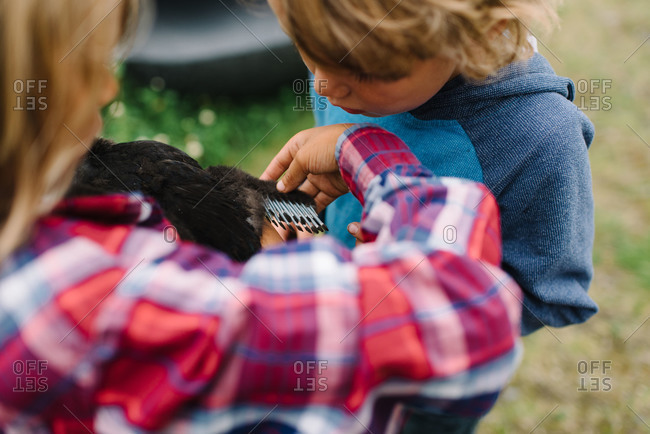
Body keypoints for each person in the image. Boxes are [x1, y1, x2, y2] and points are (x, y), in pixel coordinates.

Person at [0, 1, 522, 433]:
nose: (110, 89)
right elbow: (466, 312)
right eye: (90, 65)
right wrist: (368, 152)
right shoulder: (80, 300)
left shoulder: (68, 221)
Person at [263, 0, 599, 335]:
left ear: (478, 30)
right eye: (305, 44)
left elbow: (547, 297)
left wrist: (416, 288)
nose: (323, 86)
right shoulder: (340, 44)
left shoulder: (541, 140)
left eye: (365, 68)